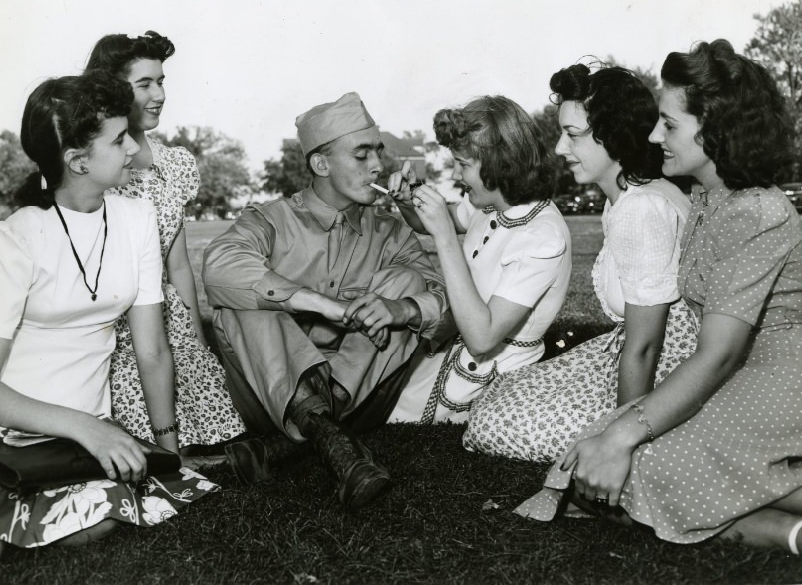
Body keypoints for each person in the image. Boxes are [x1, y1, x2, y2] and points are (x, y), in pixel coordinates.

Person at [517, 39, 802, 554]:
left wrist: (627, 433)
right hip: (745, 373)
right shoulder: (710, 196)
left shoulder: (757, 211)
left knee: (630, 467)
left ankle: (789, 532)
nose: (653, 134)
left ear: (717, 130)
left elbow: (719, 355)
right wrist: (622, 431)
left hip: (784, 380)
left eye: (669, 124)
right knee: (592, 460)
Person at [202, 92, 449, 510]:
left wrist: (401, 309)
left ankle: (309, 436)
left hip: (357, 395)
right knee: (248, 300)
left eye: (378, 153)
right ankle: (334, 444)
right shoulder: (269, 218)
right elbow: (219, 265)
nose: (378, 166)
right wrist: (313, 301)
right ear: (321, 164)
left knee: (407, 281)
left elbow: (447, 302)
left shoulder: (391, 231)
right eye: (362, 155)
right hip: (268, 396)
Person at [0, 71, 215, 549]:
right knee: (101, 519)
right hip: (17, 440)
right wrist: (87, 428)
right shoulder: (17, 239)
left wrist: (168, 452)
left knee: (126, 502)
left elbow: (153, 349)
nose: (135, 151)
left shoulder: (135, 217)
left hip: (88, 444)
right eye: (119, 141)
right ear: (78, 161)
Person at [463, 65, 696, 461]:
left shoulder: (641, 209)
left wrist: (621, 443)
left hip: (666, 373)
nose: (559, 148)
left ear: (615, 135)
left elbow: (645, 345)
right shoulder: (627, 196)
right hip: (640, 353)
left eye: (572, 135)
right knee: (503, 392)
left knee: (490, 420)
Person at [85, 31, 246, 452]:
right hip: (111, 317)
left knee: (206, 422)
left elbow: (178, 266)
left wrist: (195, 338)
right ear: (114, 91)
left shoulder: (172, 164)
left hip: (164, 313)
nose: (159, 94)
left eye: (161, 82)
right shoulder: (94, 163)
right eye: (145, 84)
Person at [386, 95, 571, 424]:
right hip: (456, 351)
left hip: (492, 372)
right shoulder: (491, 203)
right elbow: (430, 223)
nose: (455, 174)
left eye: (463, 164)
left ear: (500, 164)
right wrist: (406, 202)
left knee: (383, 406)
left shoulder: (542, 236)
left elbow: (482, 338)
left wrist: (445, 237)